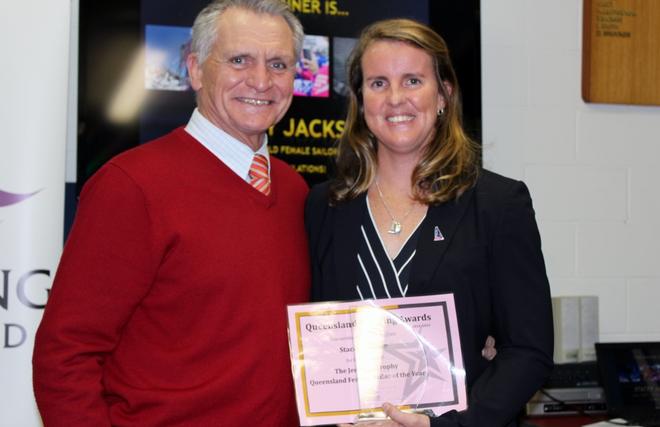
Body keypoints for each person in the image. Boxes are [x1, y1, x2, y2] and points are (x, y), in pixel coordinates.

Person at [32, 1, 309, 425]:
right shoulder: (131, 185)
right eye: (239, 60)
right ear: (195, 68)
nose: (261, 80)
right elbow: (66, 354)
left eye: (278, 64)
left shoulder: (294, 190)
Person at [305, 19, 554, 427]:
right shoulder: (324, 207)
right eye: (379, 83)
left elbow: (530, 352)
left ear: (443, 95)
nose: (395, 98)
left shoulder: (496, 204)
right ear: (360, 99)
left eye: (413, 80)